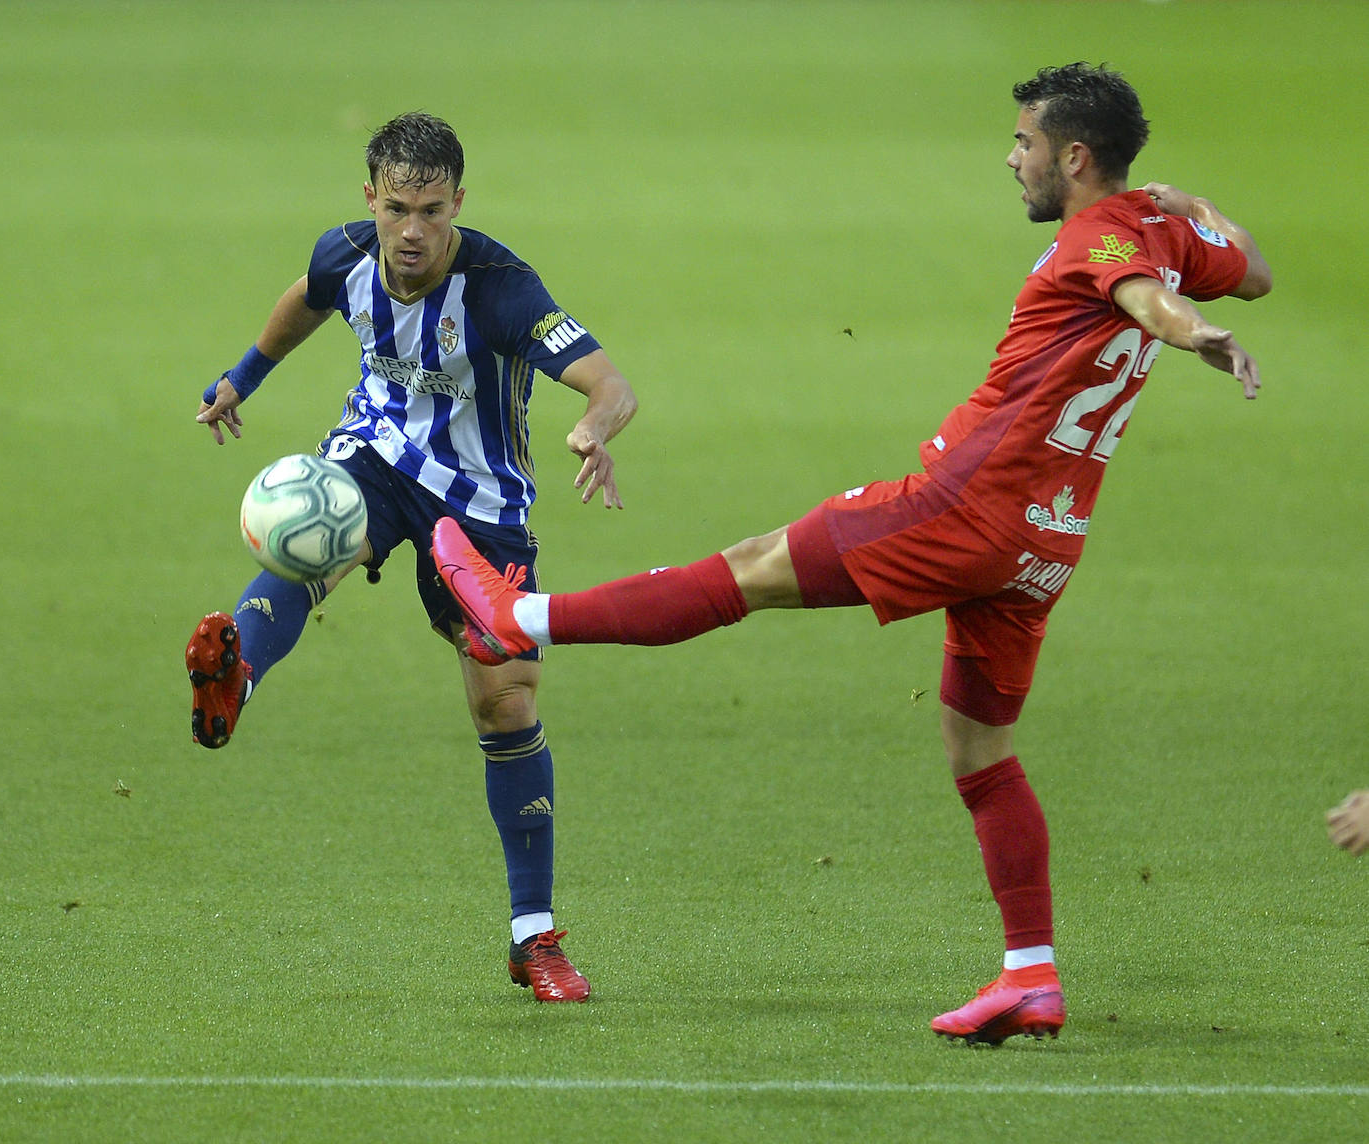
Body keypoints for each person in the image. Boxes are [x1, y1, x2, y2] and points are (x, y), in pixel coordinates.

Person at [430, 64, 1272, 1043]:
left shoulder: (1101, 239)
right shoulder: (1165, 226)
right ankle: (1031, 973)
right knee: (981, 748)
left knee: (750, 569)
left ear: (1074, 157)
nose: (1013, 158)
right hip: (1048, 541)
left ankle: (518, 616)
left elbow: (1141, 297)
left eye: (1026, 144)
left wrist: (1194, 330)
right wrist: (1195, 212)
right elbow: (1249, 267)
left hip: (968, 507)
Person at [186, 112, 638, 1003]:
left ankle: (532, 937)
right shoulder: (345, 252)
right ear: (370, 201)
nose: (413, 231)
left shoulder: (503, 289)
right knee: (314, 534)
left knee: (504, 699)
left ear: (458, 202)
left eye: (432, 209)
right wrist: (243, 375)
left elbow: (609, 382)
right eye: (397, 208)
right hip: (377, 456)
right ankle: (232, 681)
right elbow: (303, 301)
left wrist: (593, 428)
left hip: (481, 500)